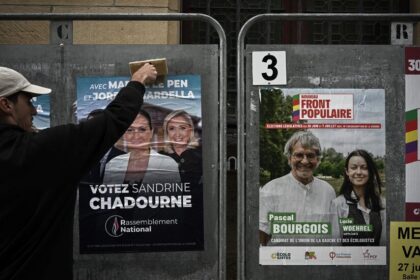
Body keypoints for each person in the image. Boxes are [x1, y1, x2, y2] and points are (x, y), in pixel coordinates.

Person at [0, 64, 157, 280]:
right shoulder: (42, 150)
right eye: (28, 102)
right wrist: (138, 81)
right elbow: (112, 120)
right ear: (6, 104)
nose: (35, 110)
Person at [259, 131, 336, 246]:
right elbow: (262, 236)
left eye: (310, 156)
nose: (305, 161)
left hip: (318, 262)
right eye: (299, 155)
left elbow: (333, 235)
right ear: (289, 158)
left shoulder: (328, 191)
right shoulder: (271, 189)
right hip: (281, 262)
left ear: (318, 160)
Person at [102, 109, 180, 185]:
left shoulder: (168, 164)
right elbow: (106, 197)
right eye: (130, 130)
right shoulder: (112, 164)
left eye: (142, 129)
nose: (136, 136)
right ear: (124, 134)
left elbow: (174, 197)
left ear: (151, 132)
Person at [330, 149, 385, 246]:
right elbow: (335, 245)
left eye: (364, 167)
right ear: (347, 171)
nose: (359, 172)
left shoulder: (382, 203)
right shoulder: (338, 204)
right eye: (354, 167)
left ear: (370, 171)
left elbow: (385, 242)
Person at [160, 110, 202, 186]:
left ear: (190, 130)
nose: (177, 134)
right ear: (167, 133)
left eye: (182, 128)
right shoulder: (158, 158)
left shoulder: (203, 156)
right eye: (172, 128)